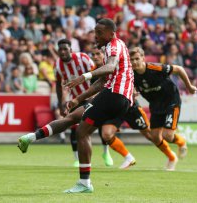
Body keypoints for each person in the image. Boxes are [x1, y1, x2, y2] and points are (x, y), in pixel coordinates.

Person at [18, 19, 134, 193]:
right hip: (113, 95)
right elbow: (102, 81)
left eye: (99, 32)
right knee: (71, 117)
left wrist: (85, 76)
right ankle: (31, 138)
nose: (96, 36)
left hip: (115, 95)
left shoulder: (113, 46)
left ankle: (85, 183)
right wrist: (77, 99)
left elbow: (109, 68)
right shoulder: (115, 46)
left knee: (82, 131)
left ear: (111, 33)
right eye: (95, 32)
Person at [130, 47, 197, 170]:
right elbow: (133, 87)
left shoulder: (155, 67)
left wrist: (189, 86)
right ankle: (172, 157)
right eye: (132, 60)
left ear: (143, 58)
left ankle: (181, 142)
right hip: (156, 105)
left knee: (168, 135)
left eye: (137, 59)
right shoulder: (131, 75)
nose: (134, 62)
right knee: (155, 137)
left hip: (171, 101)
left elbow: (179, 69)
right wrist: (134, 92)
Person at [53, 39, 113, 167]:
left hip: (93, 96)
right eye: (60, 49)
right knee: (74, 128)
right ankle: (76, 158)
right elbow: (58, 85)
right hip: (76, 99)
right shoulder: (57, 65)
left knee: (101, 124)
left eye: (65, 49)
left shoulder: (83, 58)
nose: (63, 52)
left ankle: (106, 152)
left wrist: (98, 94)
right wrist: (60, 103)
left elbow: (97, 73)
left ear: (71, 50)